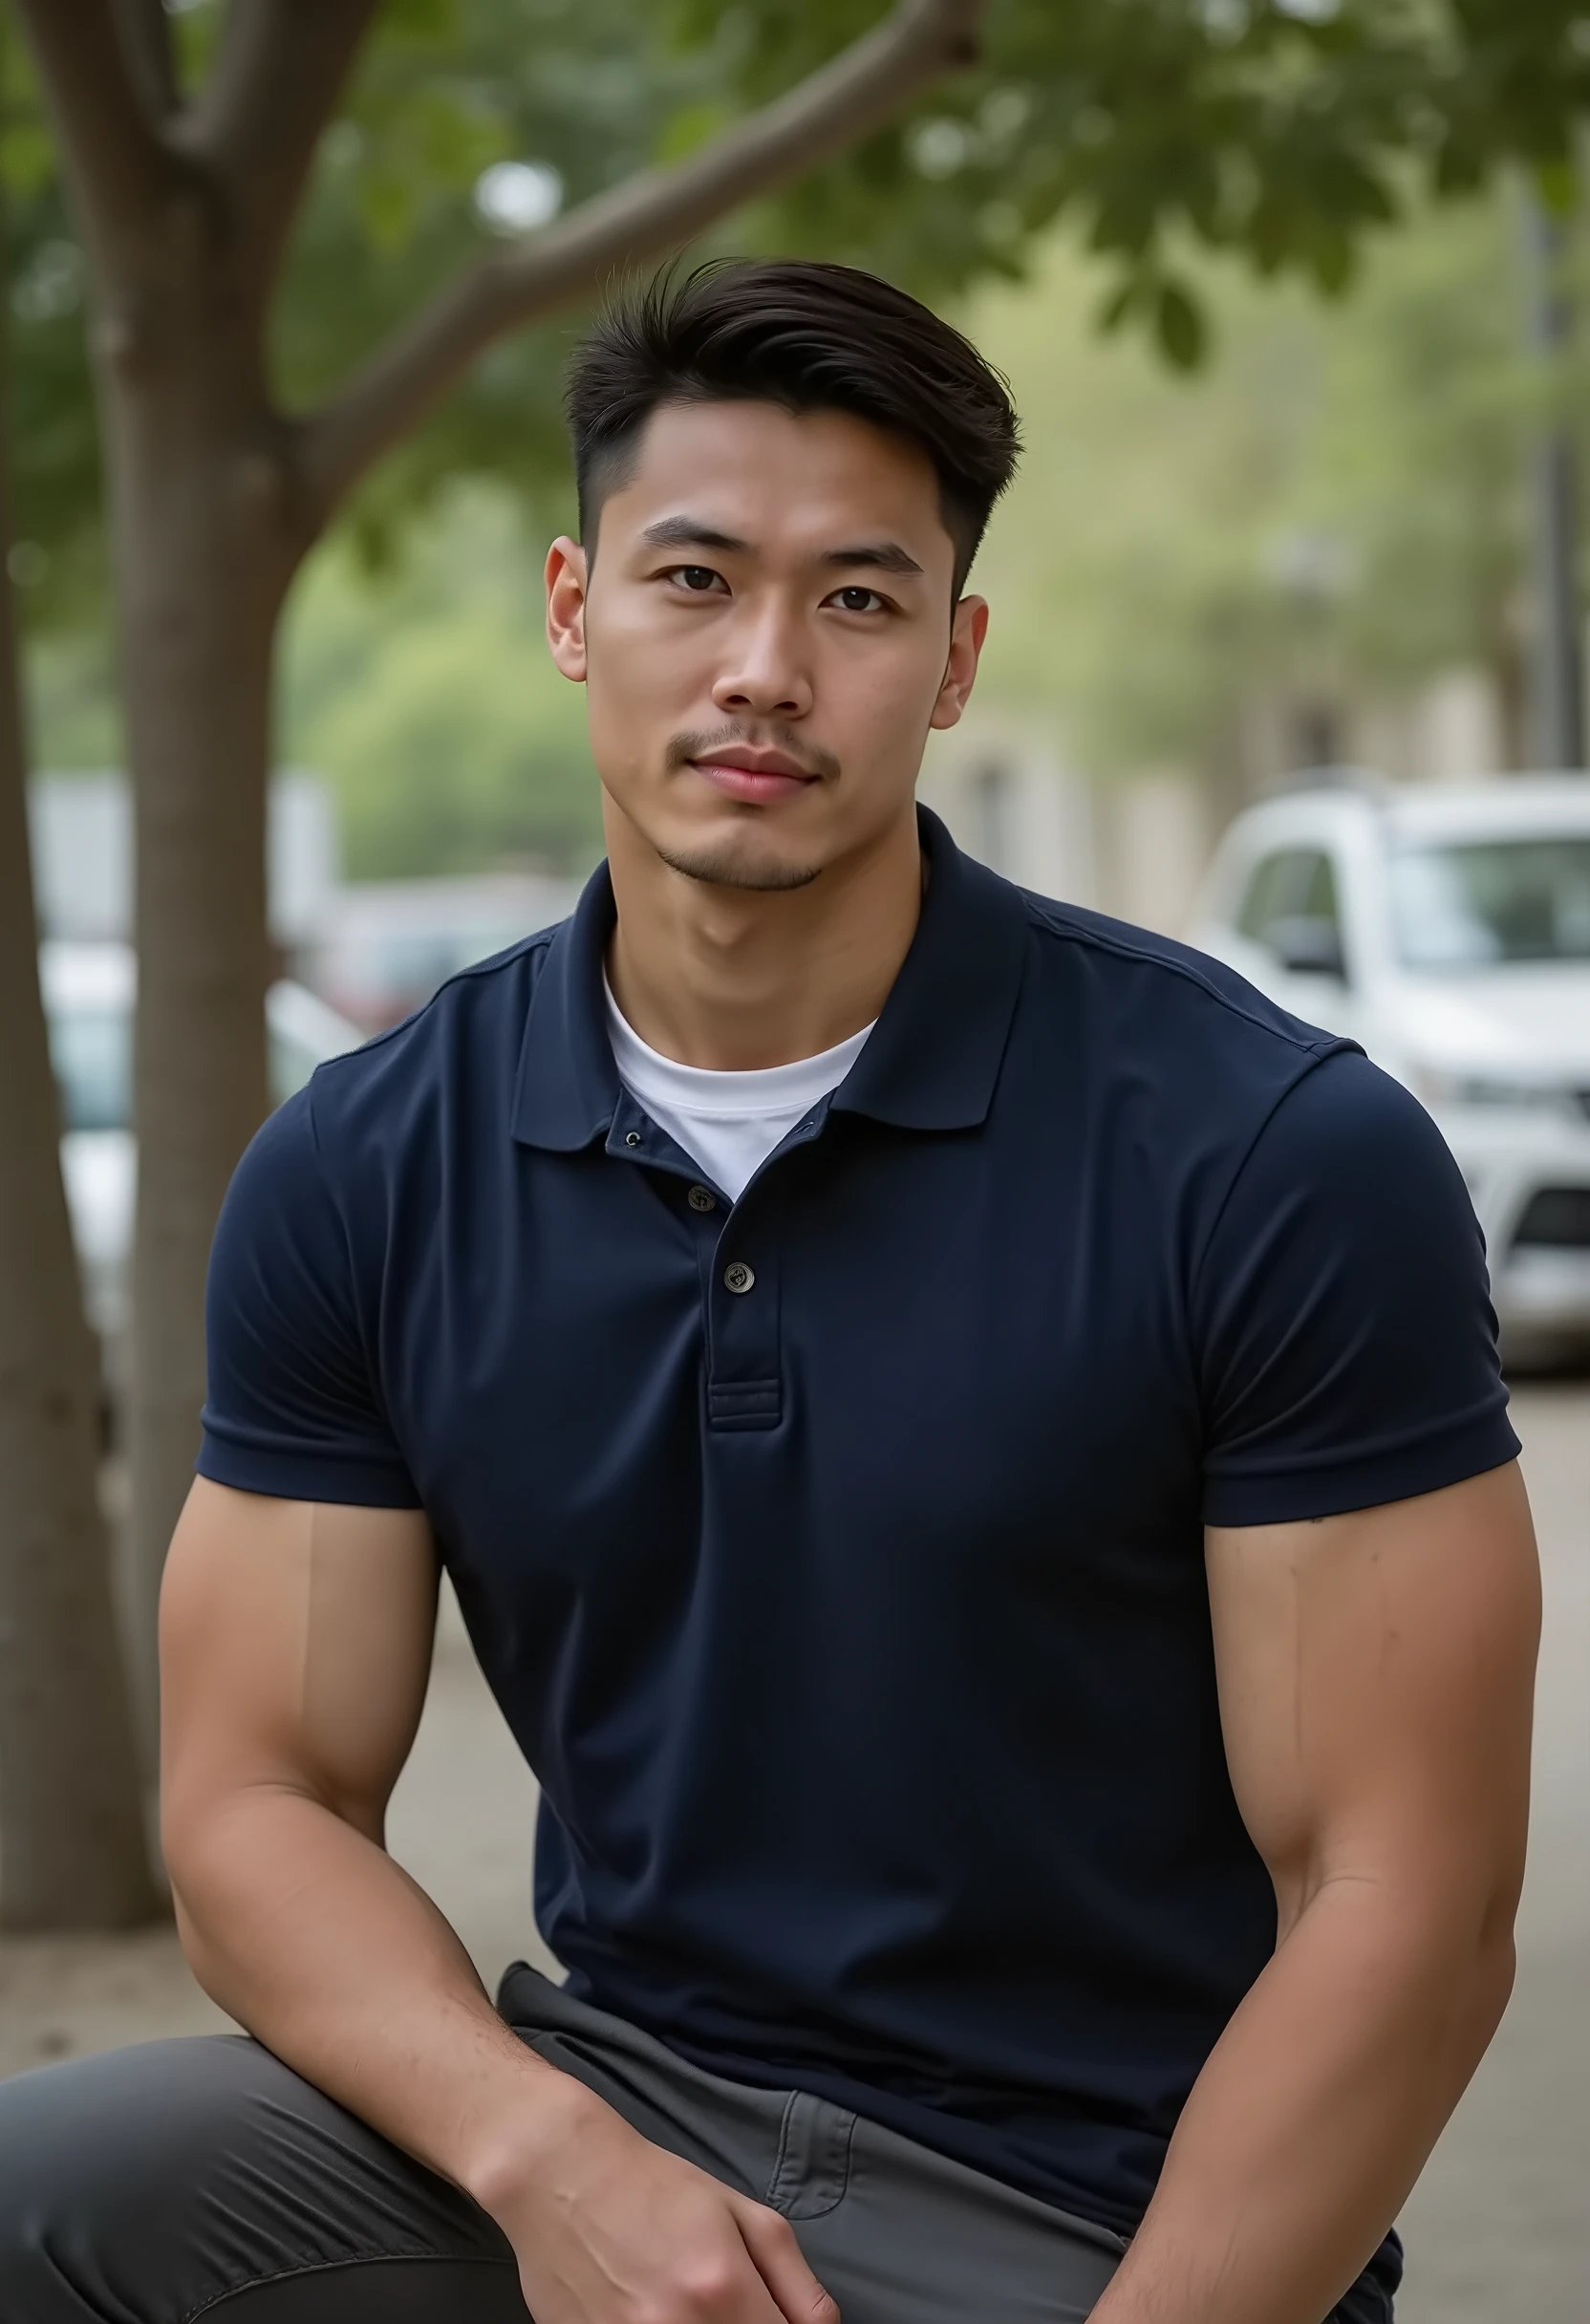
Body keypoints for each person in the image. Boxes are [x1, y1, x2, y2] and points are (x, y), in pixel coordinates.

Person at [0, 261, 1538, 2324]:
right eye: (694, 578)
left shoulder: (1264, 1154)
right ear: (571, 609)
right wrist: (551, 2161)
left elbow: (1403, 1903)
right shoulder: (367, 1168)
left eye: (858, 599)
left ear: (955, 658)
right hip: (615, 2130)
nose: (765, 668)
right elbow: (258, 1798)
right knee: (54, 2191)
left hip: (1092, 2221)